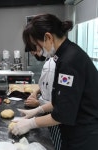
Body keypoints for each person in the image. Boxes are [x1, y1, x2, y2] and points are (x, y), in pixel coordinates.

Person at [10, 14, 98, 150]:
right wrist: (37, 110)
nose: (38, 51)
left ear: (48, 37)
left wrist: (30, 123)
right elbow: (63, 99)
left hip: (83, 135)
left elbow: (63, 114)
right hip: (76, 131)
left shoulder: (70, 61)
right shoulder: (66, 55)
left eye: (36, 45)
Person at [21, 37, 62, 150]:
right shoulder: (48, 61)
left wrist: (38, 104)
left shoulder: (61, 65)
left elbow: (61, 101)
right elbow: (44, 83)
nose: (34, 53)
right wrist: (35, 92)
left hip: (57, 118)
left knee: (55, 144)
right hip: (46, 112)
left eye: (35, 49)